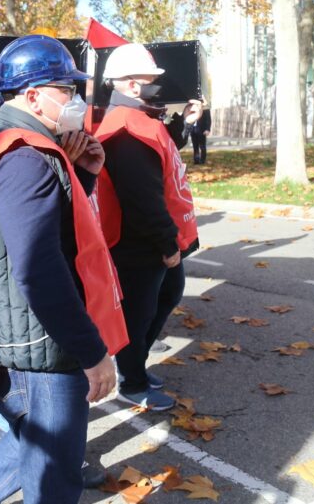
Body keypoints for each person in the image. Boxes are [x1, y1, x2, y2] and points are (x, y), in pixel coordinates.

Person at [0, 35, 127, 504]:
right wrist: (92, 352)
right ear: (31, 96)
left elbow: (45, 233)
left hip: (26, 335)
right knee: (55, 470)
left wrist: (82, 173)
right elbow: (39, 268)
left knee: (32, 437)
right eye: (66, 89)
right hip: (41, 344)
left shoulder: (18, 145)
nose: (77, 100)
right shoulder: (26, 157)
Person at [95, 42, 202, 412]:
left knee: (166, 296)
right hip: (138, 244)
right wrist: (167, 244)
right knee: (137, 315)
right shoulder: (126, 131)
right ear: (129, 85)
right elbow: (141, 200)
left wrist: (186, 122)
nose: (158, 84)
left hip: (151, 241)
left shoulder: (139, 122)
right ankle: (133, 380)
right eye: (150, 79)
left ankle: (133, 366)